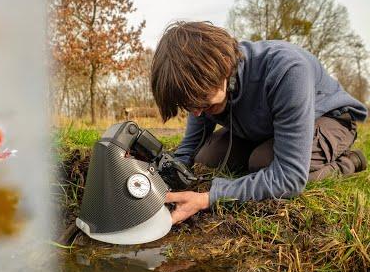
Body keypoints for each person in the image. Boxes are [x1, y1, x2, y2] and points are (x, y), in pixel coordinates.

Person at [150, 21, 368, 225]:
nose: (197, 113)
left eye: (204, 105)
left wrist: (209, 198)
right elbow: (191, 145)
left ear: (225, 68)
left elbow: (288, 177)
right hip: (267, 128)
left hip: (331, 119)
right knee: (208, 157)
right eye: (189, 106)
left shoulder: (286, 70)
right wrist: (166, 173)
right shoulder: (200, 89)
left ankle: (348, 163)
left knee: (262, 162)